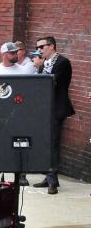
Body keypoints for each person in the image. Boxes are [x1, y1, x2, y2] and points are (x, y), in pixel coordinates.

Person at [33, 36, 74, 195]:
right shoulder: (44, 64)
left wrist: (41, 66)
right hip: (44, 109)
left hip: (56, 109)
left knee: (53, 144)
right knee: (45, 144)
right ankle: (49, 177)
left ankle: (52, 181)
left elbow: (52, 83)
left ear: (51, 46)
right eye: (38, 47)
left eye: (42, 47)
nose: (39, 50)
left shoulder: (62, 62)